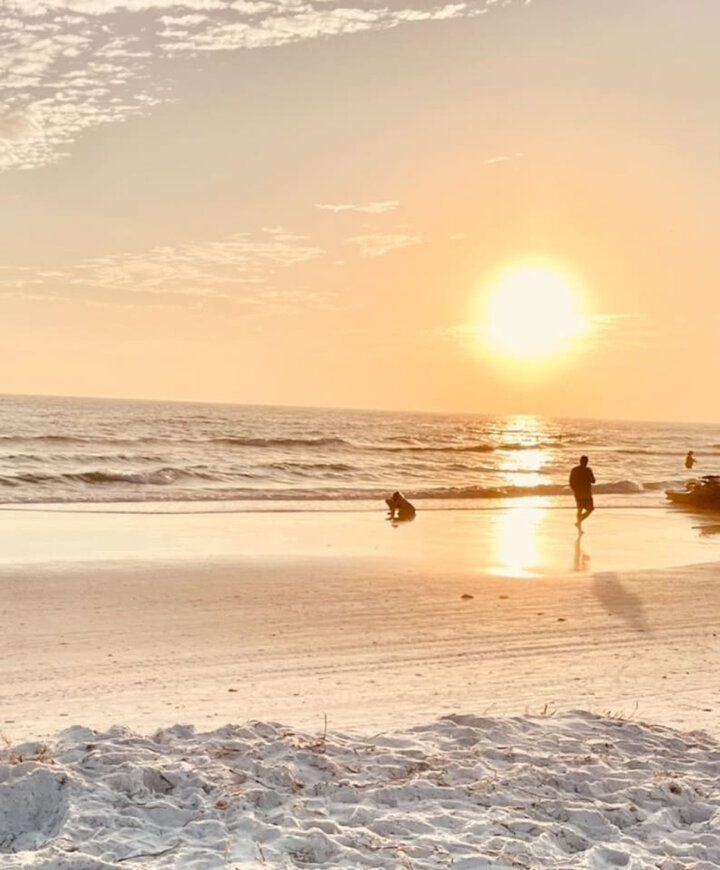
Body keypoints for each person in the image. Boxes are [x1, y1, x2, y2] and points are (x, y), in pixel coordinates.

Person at [569, 455, 595, 531]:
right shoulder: (585, 470)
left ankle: (578, 523)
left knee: (584, 509)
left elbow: (571, 482)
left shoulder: (577, 470)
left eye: (585, 461)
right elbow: (593, 480)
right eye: (585, 461)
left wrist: (575, 490)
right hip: (584, 493)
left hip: (583, 493)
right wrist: (575, 490)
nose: (585, 463)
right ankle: (579, 525)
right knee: (585, 509)